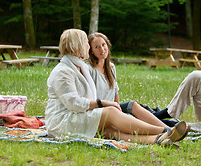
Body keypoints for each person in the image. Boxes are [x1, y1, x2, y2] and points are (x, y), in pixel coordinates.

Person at [45, 29, 189, 146]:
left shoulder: (79, 67)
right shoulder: (62, 71)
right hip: (62, 121)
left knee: (109, 131)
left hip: (77, 115)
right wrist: (103, 103)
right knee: (111, 113)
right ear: (76, 46)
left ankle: (158, 139)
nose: (88, 47)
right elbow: (73, 103)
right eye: (86, 43)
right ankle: (166, 130)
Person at [87, 32, 177, 127]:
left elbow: (115, 93)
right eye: (97, 47)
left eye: (103, 44)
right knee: (134, 117)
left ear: (107, 45)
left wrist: (119, 111)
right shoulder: (89, 69)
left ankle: (170, 125)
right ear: (91, 51)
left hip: (114, 108)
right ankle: (169, 125)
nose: (102, 49)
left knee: (133, 106)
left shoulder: (111, 67)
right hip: (101, 111)